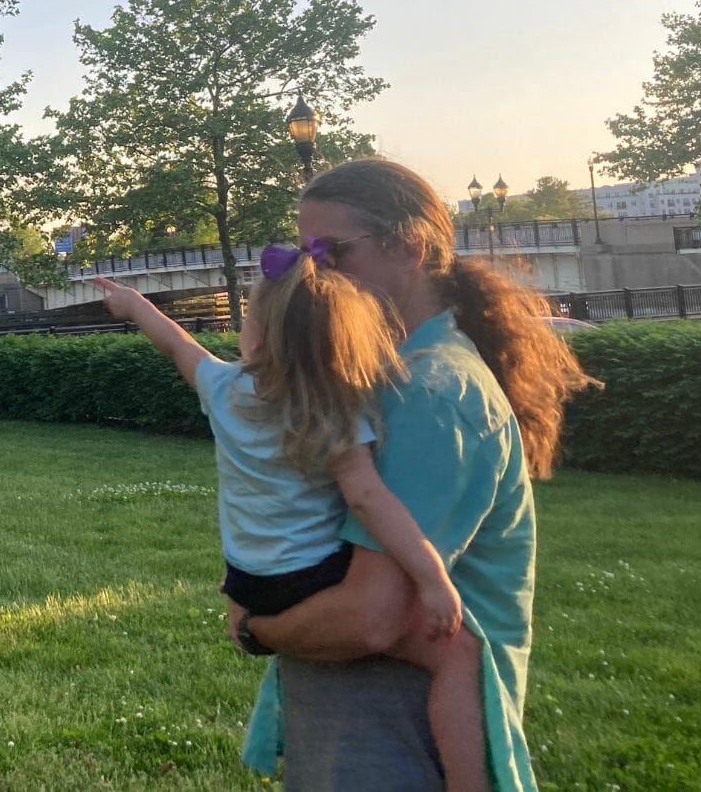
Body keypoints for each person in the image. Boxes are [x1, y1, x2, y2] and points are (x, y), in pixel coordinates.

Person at [227, 158, 598, 791]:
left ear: (411, 247)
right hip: (366, 728)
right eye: (304, 254)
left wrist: (255, 628)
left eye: (331, 252)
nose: (312, 274)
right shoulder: (384, 379)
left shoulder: (432, 393)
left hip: (400, 743)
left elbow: (372, 615)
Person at [97, 243, 487, 792]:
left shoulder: (224, 389)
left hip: (247, 580)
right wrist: (431, 578)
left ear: (254, 328)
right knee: (458, 654)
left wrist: (135, 306)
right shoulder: (335, 405)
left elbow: (178, 344)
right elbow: (368, 499)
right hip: (312, 580)